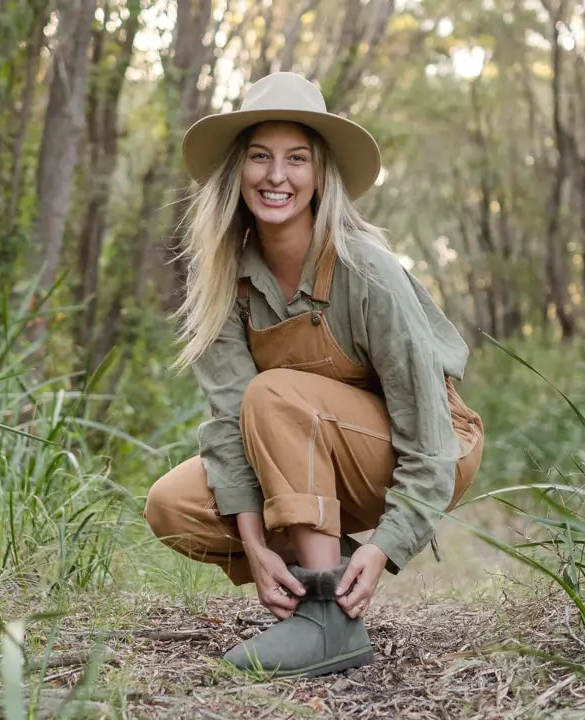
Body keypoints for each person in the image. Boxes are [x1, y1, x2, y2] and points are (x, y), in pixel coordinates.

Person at [144, 72, 483, 678]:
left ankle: (328, 622)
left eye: (296, 159)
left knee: (274, 393)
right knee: (174, 504)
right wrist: (253, 544)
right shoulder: (220, 275)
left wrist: (387, 544)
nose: (277, 176)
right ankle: (314, 578)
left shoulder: (367, 269)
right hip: (303, 454)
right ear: (237, 171)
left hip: (428, 446)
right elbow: (229, 424)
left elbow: (428, 434)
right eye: (260, 158)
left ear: (320, 173)